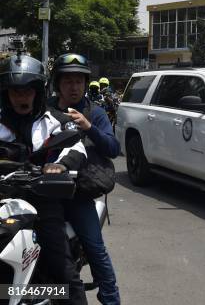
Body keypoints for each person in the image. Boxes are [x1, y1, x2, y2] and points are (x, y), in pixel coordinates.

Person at [0, 53, 88, 304]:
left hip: (41, 199)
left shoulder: (54, 120)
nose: (21, 97)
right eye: (15, 91)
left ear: (38, 92)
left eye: (27, 90)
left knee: (63, 271)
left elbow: (75, 148)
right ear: (6, 93)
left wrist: (59, 166)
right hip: (3, 197)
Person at [49, 53, 122, 304]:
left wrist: (89, 127)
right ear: (58, 83)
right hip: (44, 192)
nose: (74, 86)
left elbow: (113, 148)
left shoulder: (96, 112)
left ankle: (111, 298)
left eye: (79, 81)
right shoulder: (45, 110)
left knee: (95, 247)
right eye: (68, 81)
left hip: (78, 193)